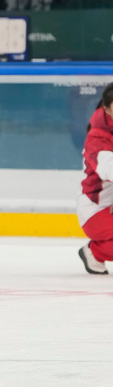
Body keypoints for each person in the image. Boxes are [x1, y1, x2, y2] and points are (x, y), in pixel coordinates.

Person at [78, 82, 113, 275]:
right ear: (106, 108)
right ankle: (94, 252)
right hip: (97, 209)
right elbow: (109, 169)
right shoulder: (98, 138)